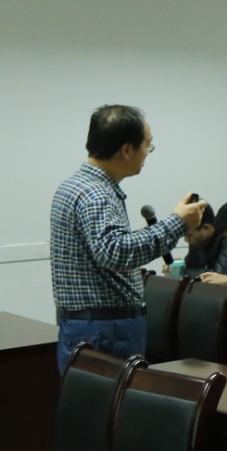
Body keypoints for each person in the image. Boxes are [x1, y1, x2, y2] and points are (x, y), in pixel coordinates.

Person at [51, 105, 206, 368]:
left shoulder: (73, 185)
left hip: (87, 327)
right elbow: (115, 253)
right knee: (114, 397)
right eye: (148, 145)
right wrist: (177, 223)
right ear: (127, 150)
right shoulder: (97, 194)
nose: (148, 153)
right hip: (106, 331)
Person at [182, 202, 227, 276]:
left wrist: (191, 273)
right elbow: (188, 268)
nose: (186, 240)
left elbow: (218, 276)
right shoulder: (196, 241)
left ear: (206, 228)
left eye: (189, 235)